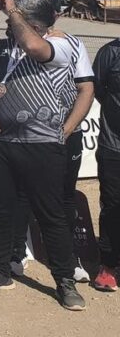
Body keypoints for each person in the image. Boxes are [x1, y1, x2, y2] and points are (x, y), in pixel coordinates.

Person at [0, 0, 86, 311]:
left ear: (35, 24)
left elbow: (35, 48)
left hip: (42, 143)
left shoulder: (60, 45)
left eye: (15, 21)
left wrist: (66, 130)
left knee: (51, 214)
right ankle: (0, 270)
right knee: (1, 209)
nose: (9, 25)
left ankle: (64, 281)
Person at [9, 26, 95, 280]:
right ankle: (16, 252)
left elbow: (86, 89)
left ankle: (69, 257)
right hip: (27, 135)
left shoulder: (73, 43)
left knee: (65, 196)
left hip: (65, 133)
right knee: (22, 194)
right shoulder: (15, 43)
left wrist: (66, 130)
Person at [92, 35, 120, 292]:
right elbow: (97, 90)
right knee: (112, 205)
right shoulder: (110, 52)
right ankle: (109, 265)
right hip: (114, 146)